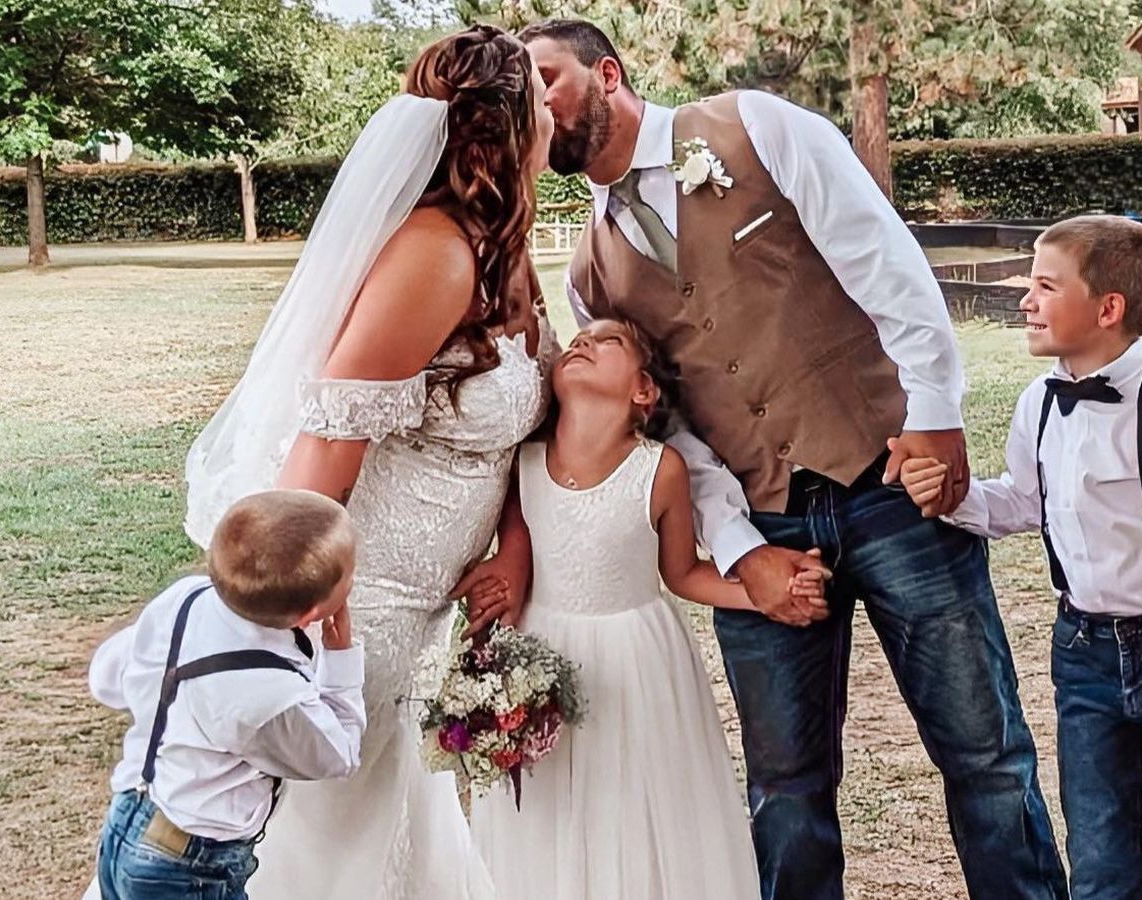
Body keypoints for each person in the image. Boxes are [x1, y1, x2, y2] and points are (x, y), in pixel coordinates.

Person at [515, 18, 1067, 900]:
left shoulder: (753, 126)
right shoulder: (590, 273)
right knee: (784, 788)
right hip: (765, 520)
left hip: (893, 483)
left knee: (985, 755)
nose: (533, 99)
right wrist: (742, 552)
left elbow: (883, 259)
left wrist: (934, 412)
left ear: (607, 73)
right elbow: (671, 429)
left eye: (545, 76)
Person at [181, 24, 557, 900]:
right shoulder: (433, 255)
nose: (551, 117)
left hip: (428, 610)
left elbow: (522, 433)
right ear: (506, 127)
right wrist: (277, 618)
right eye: (540, 99)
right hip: (360, 605)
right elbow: (326, 443)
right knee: (324, 835)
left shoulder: (497, 247)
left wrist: (511, 546)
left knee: (392, 827)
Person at [471, 318, 826, 900]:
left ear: (644, 390)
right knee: (550, 804)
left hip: (634, 660)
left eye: (606, 341)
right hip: (543, 650)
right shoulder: (524, 463)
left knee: (629, 801)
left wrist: (762, 595)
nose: (582, 343)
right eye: (578, 341)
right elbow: (516, 556)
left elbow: (681, 574)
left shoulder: (660, 469)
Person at [901, 215, 1142, 900]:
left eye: (1045, 286)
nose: (1025, 299)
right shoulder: (1039, 402)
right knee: (1100, 851)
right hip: (1086, 654)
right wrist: (949, 495)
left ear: (1108, 309)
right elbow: (1021, 503)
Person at [92, 489, 365, 900]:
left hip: (126, 818)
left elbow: (107, 678)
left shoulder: (185, 597)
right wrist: (340, 661)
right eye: (350, 574)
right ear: (310, 613)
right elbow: (338, 755)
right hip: (190, 866)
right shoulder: (268, 695)